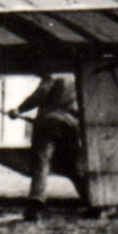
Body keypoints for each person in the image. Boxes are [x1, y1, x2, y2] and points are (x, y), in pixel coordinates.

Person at [8, 71, 90, 219]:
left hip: (47, 124)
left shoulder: (54, 76)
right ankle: (92, 201)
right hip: (71, 126)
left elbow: (40, 95)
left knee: (42, 162)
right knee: (74, 166)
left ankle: (36, 200)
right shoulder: (81, 79)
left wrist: (19, 109)